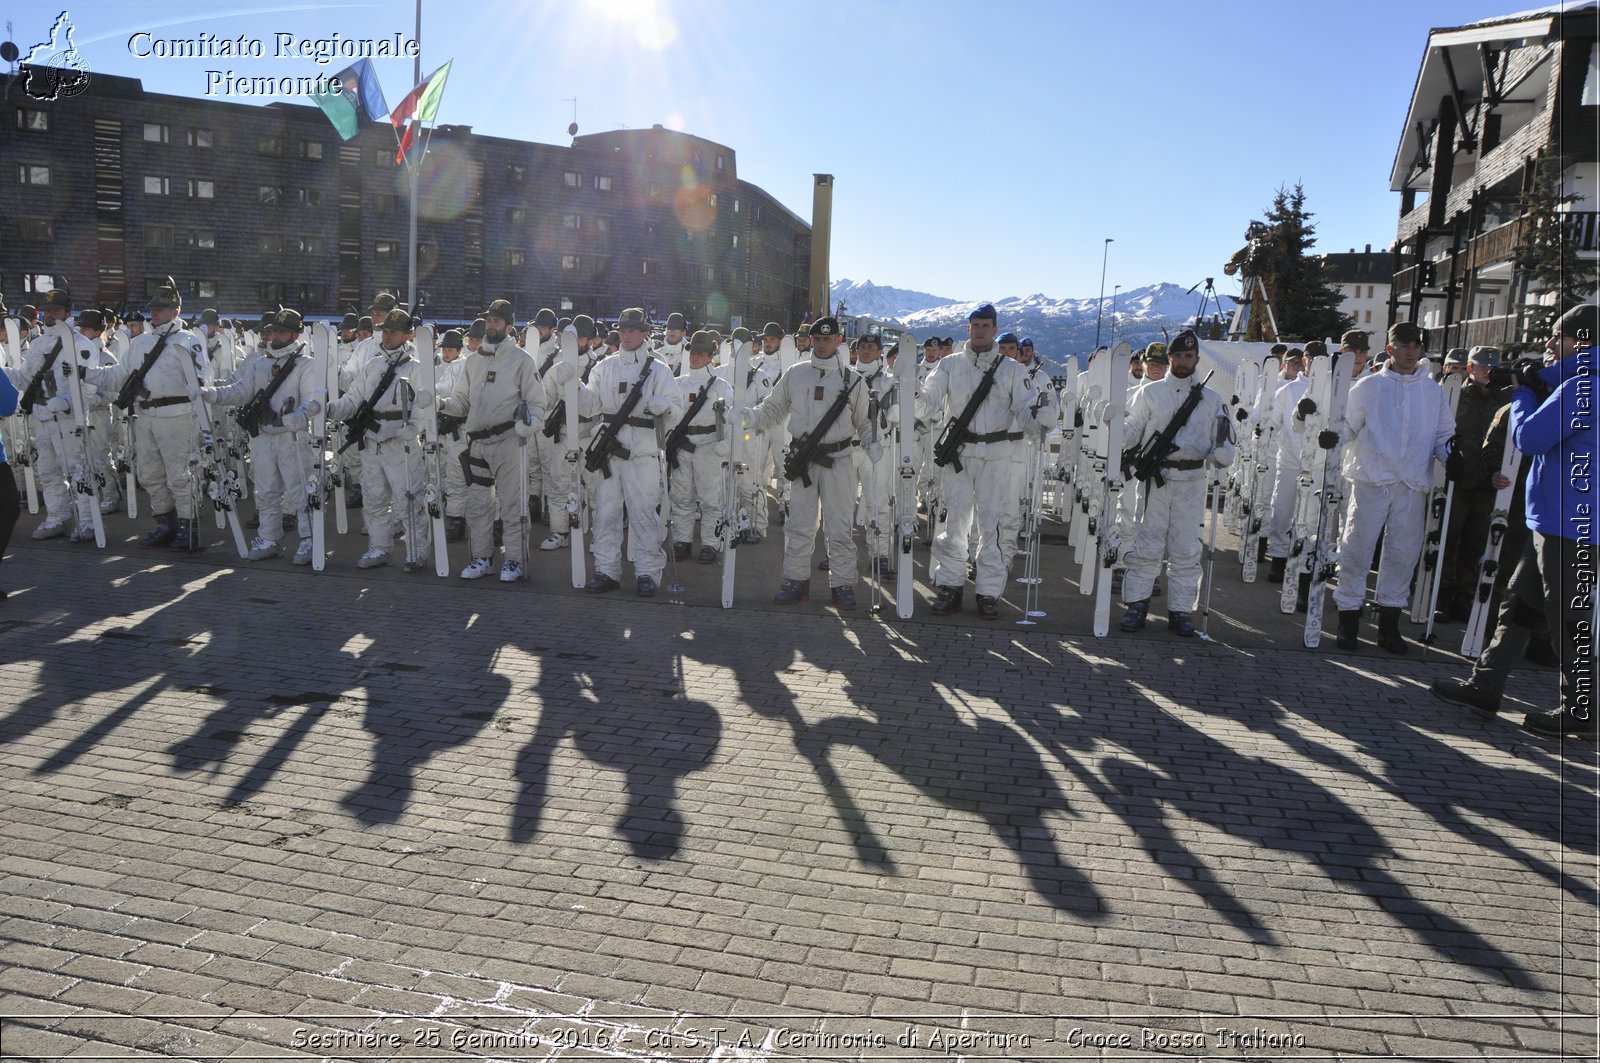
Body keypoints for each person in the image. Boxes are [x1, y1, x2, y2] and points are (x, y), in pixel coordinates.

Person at [1432, 303, 1598, 738]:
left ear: (1582, 343)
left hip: (1569, 525)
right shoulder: (1580, 383)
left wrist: (1523, 393)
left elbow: (1528, 437)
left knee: (1567, 619)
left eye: (1556, 337)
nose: (1547, 344)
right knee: (1519, 606)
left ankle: (1584, 709)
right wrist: (1538, 382)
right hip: (1559, 519)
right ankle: (1487, 684)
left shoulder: (1584, 386)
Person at [918, 304, 1057, 619]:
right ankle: (950, 586)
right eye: (975, 324)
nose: (980, 330)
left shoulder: (1011, 369)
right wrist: (912, 395)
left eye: (985, 325)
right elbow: (928, 403)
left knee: (990, 526)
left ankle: (988, 591)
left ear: (994, 329)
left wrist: (1041, 420)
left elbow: (1025, 412)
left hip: (996, 454)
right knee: (954, 523)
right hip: (960, 453)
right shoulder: (949, 365)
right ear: (968, 329)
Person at [1326, 321, 1454, 652]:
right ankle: (1349, 617)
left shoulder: (1432, 391)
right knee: (1357, 548)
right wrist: (1332, 438)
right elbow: (1348, 428)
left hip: (1411, 484)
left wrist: (1452, 454)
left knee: (1403, 553)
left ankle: (1388, 624)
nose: (1411, 352)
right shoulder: (1369, 387)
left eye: (1416, 346)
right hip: (1372, 478)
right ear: (1390, 346)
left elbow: (1443, 434)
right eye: (1404, 345)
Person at [745, 316, 868, 608]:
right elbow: (774, 409)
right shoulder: (796, 374)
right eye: (817, 339)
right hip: (803, 460)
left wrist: (872, 445)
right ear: (811, 341)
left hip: (838, 459)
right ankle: (795, 580)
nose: (822, 344)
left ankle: (842, 584)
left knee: (838, 526)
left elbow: (865, 422)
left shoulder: (853, 380)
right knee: (799, 525)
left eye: (828, 339)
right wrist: (751, 417)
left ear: (840, 341)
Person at [1117, 330, 1234, 636]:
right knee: (1146, 544)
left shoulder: (1211, 399)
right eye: (1177, 356)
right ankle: (1137, 604)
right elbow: (1132, 431)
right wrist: (1113, 425)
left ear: (1196, 359)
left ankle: (1181, 610)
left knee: (1186, 548)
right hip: (1156, 481)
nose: (1183, 361)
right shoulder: (1150, 393)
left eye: (1189, 356)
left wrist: (1222, 453)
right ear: (1168, 358)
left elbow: (1223, 438)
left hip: (1192, 481)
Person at [86, 279, 209, 550]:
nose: (155, 313)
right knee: (149, 473)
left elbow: (203, 378)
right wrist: (88, 373)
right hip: (146, 415)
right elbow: (119, 374)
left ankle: (189, 526)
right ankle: (166, 524)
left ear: (176, 311)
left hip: (177, 415)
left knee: (180, 474)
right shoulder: (140, 342)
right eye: (153, 308)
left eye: (161, 309)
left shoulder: (188, 341)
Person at [569, 307, 682, 596]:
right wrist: (573, 387)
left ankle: (647, 572)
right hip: (608, 452)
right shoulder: (604, 367)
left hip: (642, 454)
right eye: (623, 330)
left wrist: (665, 406)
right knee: (605, 514)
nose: (627, 335)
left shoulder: (659, 370)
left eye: (633, 330)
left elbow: (677, 411)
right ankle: (606, 570)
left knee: (644, 515)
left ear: (644, 333)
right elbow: (590, 407)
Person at [199, 308, 323, 565]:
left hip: (292, 438)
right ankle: (269, 538)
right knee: (266, 491)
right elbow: (240, 391)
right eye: (273, 331)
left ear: (294, 334)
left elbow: (313, 400)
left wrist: (297, 417)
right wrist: (210, 394)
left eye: (281, 331)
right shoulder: (259, 363)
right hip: (264, 436)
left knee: (300, 491)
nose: (275, 336)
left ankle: (309, 540)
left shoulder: (306, 364)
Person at [436, 300, 547, 582]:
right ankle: (482, 558)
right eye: (489, 320)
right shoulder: (473, 361)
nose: (491, 325)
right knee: (478, 505)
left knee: (512, 504)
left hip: (509, 440)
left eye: (497, 321)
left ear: (509, 326)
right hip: (477, 443)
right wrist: (439, 404)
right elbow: (461, 401)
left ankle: (515, 560)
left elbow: (537, 403)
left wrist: (529, 423)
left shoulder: (522, 360)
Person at [323, 308, 434, 572]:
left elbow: (425, 404)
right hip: (372, 441)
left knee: (409, 500)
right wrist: (329, 409)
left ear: (406, 335)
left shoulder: (418, 368)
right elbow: (352, 399)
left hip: (402, 444)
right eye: (384, 330)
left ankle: (416, 552)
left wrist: (416, 427)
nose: (386, 335)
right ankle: (379, 548)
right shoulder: (372, 366)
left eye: (393, 331)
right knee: (374, 499)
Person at [1438, 345, 1512, 621]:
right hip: (1456, 479)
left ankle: (1464, 595)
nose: (1489, 372)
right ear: (1470, 368)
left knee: (1476, 543)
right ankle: (1442, 595)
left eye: (1493, 367)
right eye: (1484, 367)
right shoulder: (1454, 393)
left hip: (1486, 483)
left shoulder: (1505, 399)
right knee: (1448, 539)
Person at [667, 330, 733, 563]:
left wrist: (724, 444)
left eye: (701, 353)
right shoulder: (677, 383)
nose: (695, 357)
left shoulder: (721, 386)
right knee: (681, 497)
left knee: (710, 499)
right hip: (682, 446)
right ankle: (682, 541)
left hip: (708, 446)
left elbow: (732, 419)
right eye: (693, 353)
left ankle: (710, 544)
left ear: (710, 356)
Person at [436, 329, 469, 542]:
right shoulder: (438, 369)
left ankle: (494, 523)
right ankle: (455, 519)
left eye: (450, 350)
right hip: (446, 428)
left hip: (468, 427)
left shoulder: (464, 366)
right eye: (444, 349)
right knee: (452, 476)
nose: (446, 353)